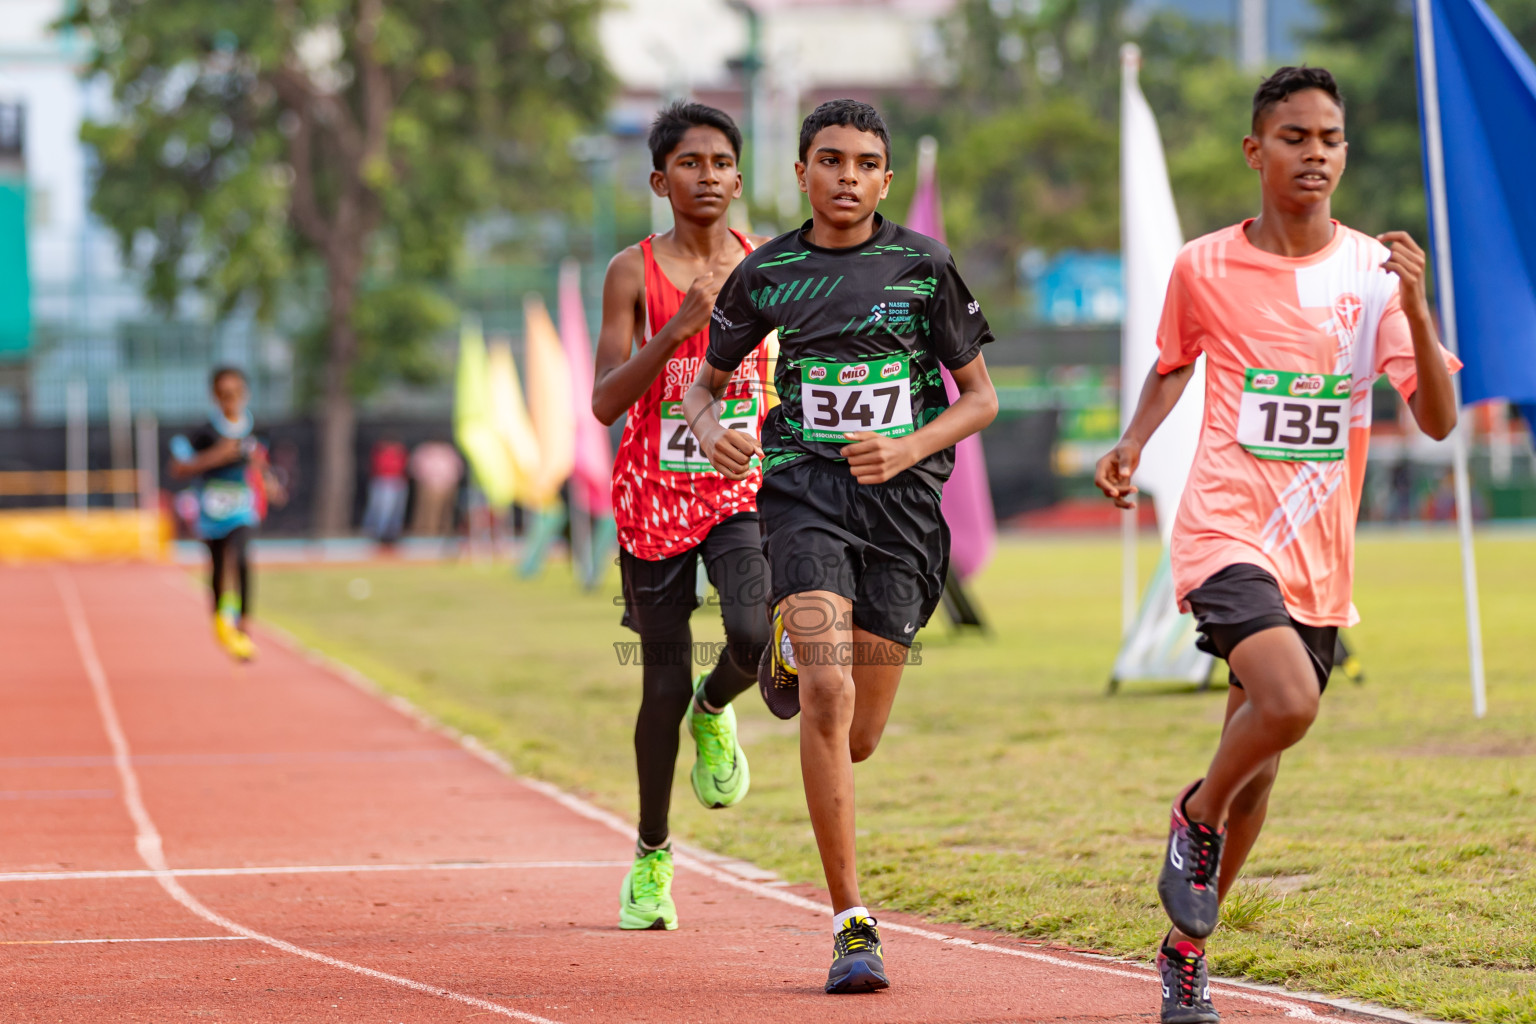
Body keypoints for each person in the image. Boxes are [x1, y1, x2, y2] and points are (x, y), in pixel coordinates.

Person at [1093, 66, 1458, 1024]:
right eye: (1295, 138)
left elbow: (1437, 419)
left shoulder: (1374, 277)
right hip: (1224, 528)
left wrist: (1416, 311)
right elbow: (1173, 366)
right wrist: (1132, 444)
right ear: (1258, 152)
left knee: (1259, 761)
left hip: (1318, 557)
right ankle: (1193, 816)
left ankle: (1184, 957)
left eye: (1331, 139)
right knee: (1287, 704)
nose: (1317, 155)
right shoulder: (1204, 265)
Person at [686, 98, 998, 994]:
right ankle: (850, 922)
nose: (848, 176)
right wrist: (711, 429)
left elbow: (980, 399)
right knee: (826, 692)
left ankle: (788, 650)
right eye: (831, 160)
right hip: (804, 495)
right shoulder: (768, 273)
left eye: (865, 163)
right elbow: (704, 392)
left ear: (885, 179)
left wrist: (907, 446)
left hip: (901, 512)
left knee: (856, 737)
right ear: (801, 172)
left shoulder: (924, 266)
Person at [590, 101, 774, 932]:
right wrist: (674, 331)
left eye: (722, 162)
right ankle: (653, 857)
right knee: (657, 685)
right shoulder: (631, 272)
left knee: (753, 634)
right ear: (661, 180)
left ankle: (717, 707)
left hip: (741, 487)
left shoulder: (768, 265)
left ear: (740, 177)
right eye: (690, 164)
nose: (708, 176)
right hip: (653, 496)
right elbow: (603, 403)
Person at [170, 366, 287, 662]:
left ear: (245, 394)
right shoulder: (202, 432)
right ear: (215, 396)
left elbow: (259, 460)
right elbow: (179, 468)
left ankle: (244, 622)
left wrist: (271, 484)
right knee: (219, 565)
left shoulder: (255, 428)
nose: (230, 399)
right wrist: (217, 456)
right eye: (224, 394)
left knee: (243, 555)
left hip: (241, 506)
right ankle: (219, 618)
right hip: (210, 509)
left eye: (236, 393)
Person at [408, 439, 464, 537]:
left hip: (447, 485)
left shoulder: (449, 451)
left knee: (445, 511)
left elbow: (458, 468)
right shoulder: (425, 451)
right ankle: (424, 532)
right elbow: (415, 467)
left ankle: (443, 532)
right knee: (426, 510)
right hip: (428, 484)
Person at [361, 437, 409, 544]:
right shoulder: (380, 451)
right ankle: (377, 533)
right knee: (381, 509)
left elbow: (404, 466)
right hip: (383, 482)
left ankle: (392, 533)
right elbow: (379, 466)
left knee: (395, 510)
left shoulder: (400, 452)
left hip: (397, 482)